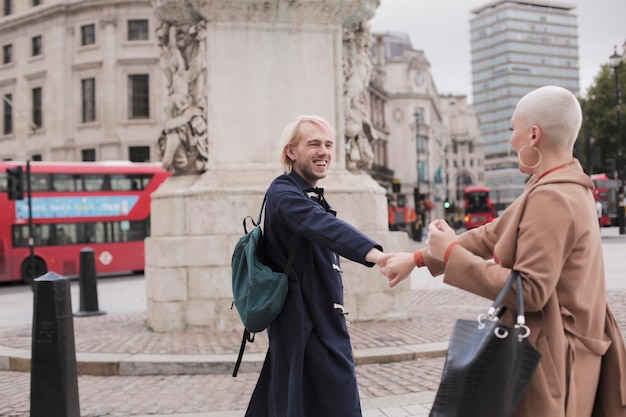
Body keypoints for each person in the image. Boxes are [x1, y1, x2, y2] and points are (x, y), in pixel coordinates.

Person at [381, 86, 626, 417]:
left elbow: (530, 289)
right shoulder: (563, 184)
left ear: (534, 135)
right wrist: (417, 258)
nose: (511, 139)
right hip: (567, 352)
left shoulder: (551, 196)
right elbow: (492, 233)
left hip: (550, 358)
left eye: (514, 128)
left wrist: (452, 252)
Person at [245, 115, 388, 417]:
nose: (324, 151)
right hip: (302, 324)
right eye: (313, 144)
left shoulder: (303, 193)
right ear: (291, 152)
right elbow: (323, 226)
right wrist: (376, 255)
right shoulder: (283, 193)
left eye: (328, 144)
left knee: (300, 401)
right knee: (313, 403)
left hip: (317, 322)